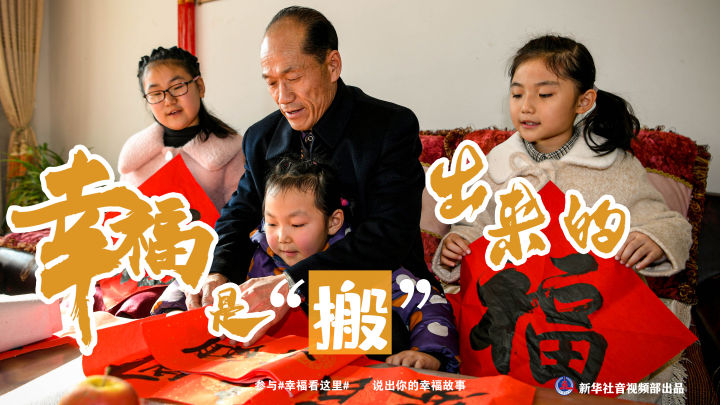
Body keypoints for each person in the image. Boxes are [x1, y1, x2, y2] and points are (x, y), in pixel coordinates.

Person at [432, 35, 692, 403]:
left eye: (545, 94)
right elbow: (475, 229)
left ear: (583, 101)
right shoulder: (497, 165)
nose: (527, 106)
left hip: (585, 319)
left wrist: (655, 239)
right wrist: (456, 248)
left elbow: (668, 224)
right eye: (517, 94)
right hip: (514, 322)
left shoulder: (612, 167)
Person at [188, 6, 439, 345]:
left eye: (292, 78)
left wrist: (293, 283)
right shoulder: (262, 138)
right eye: (271, 82)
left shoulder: (388, 128)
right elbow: (239, 214)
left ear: (332, 65)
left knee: (344, 362)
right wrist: (218, 272)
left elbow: (388, 236)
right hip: (277, 289)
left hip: (370, 293)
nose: (282, 97)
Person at [155, 157, 460, 372]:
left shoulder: (360, 260)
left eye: (298, 224)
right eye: (271, 222)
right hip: (262, 376)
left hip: (343, 380)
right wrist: (174, 310)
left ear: (333, 221)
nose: (281, 237)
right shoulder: (253, 251)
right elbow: (191, 276)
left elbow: (427, 301)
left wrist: (428, 352)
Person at [118, 46, 244, 213]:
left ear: (200, 86)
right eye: (155, 93)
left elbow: (241, 218)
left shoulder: (232, 151)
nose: (169, 100)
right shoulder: (133, 158)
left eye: (177, 87)